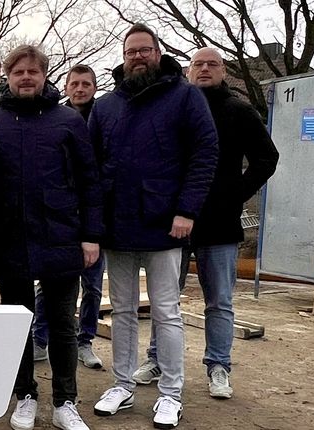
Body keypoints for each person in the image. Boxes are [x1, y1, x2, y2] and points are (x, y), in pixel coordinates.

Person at [88, 24, 219, 430]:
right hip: (117, 226)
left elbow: (205, 153)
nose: (138, 57)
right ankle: (122, 385)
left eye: (145, 50)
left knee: (166, 312)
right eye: (131, 51)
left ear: (158, 54)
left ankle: (171, 393)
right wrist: (94, 224)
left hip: (166, 225)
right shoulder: (106, 105)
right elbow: (90, 166)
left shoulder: (185, 97)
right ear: (123, 57)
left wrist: (187, 210)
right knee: (124, 311)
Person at [140, 47, 279, 400]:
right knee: (164, 298)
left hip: (219, 222)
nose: (204, 69)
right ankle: (157, 359)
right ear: (188, 71)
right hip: (171, 222)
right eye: (197, 64)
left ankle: (218, 366)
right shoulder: (173, 107)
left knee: (218, 300)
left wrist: (236, 192)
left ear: (223, 72)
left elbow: (267, 157)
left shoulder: (239, 110)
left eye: (212, 64)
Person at [0, 45, 101, 430]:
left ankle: (66, 401)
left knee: (63, 323)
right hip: (8, 237)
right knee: (16, 323)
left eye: (33, 71)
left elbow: (89, 181)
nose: (26, 78)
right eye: (18, 72)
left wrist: (91, 235)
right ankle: (25, 395)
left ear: (45, 74)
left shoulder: (68, 120)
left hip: (61, 235)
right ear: (8, 75)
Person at [30, 64, 108, 369]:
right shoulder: (54, 119)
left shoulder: (103, 118)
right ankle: (40, 339)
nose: (80, 88)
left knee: (92, 285)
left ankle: (85, 340)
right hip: (58, 221)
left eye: (86, 83)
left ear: (94, 87)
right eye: (74, 83)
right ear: (65, 86)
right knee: (47, 287)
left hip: (91, 218)